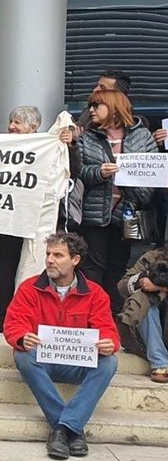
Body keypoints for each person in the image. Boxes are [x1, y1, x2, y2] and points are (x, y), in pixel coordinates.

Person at [4, 232, 120, 459]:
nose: (49, 260)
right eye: (48, 254)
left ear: (75, 260)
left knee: (110, 362)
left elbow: (107, 329)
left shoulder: (95, 293)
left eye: (58, 255)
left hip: (77, 363)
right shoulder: (30, 288)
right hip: (43, 360)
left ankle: (62, 429)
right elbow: (14, 324)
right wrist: (22, 337)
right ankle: (71, 429)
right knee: (23, 355)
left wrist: (109, 342)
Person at [76, 89, 155, 312]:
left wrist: (130, 180)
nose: (91, 110)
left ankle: (113, 318)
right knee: (92, 267)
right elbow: (79, 172)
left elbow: (151, 179)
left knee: (118, 267)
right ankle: (91, 314)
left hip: (128, 213)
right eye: (91, 105)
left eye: (96, 106)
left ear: (113, 108)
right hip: (95, 213)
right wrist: (99, 172)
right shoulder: (87, 136)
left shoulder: (143, 136)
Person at [0, 105, 44, 333]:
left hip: (34, 221)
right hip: (4, 221)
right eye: (11, 122)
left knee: (33, 271)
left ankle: (26, 318)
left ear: (33, 128)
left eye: (17, 123)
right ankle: (0, 318)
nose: (11, 127)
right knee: (5, 271)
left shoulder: (47, 148)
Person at [117, 247, 168, 383]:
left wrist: (160, 287)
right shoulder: (153, 257)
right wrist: (143, 279)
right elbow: (122, 286)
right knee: (142, 298)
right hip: (149, 329)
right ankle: (160, 364)